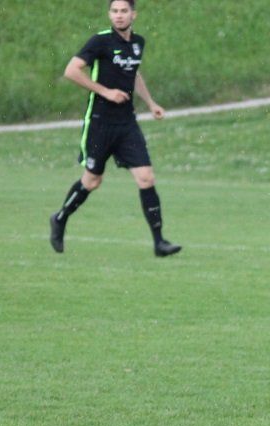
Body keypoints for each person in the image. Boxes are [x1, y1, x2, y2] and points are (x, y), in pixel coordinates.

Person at [47, 0, 181, 257]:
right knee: (92, 181)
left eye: (124, 11)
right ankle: (60, 218)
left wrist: (151, 103)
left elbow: (134, 74)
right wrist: (105, 92)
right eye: (114, 11)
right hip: (100, 123)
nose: (119, 16)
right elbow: (71, 71)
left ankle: (159, 243)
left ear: (133, 15)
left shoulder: (138, 43)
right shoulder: (100, 41)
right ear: (110, 14)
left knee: (146, 177)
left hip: (127, 123)